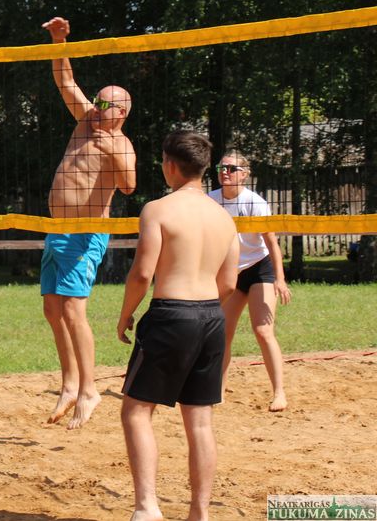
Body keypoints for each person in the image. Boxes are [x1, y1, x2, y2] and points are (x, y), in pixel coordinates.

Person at [117, 131, 239, 521]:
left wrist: (125, 314)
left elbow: (142, 273)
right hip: (212, 316)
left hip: (171, 314)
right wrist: (204, 313)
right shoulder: (224, 218)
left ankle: (147, 507)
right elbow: (230, 283)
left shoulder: (157, 210)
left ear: (170, 165)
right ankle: (199, 513)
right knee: (200, 422)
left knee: (136, 411)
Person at [41, 16, 137, 429]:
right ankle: (69, 383)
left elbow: (130, 185)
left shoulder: (122, 144)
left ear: (122, 111)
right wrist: (59, 41)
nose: (98, 106)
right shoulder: (85, 120)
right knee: (52, 309)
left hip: (85, 233)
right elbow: (66, 82)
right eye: (97, 100)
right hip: (57, 230)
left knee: (73, 309)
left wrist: (111, 149)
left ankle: (89, 389)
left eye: (106, 103)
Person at [208, 150, 292, 412]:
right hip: (231, 271)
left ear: (244, 174)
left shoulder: (254, 202)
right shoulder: (211, 200)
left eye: (232, 169)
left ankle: (279, 393)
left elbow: (272, 243)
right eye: (222, 168)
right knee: (222, 333)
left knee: (263, 331)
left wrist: (280, 279)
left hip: (259, 268)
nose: (225, 172)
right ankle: (218, 391)